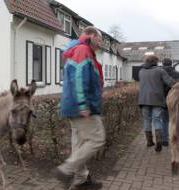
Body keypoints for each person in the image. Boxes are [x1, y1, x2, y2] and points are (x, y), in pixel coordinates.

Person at [53, 26, 105, 190]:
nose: (101, 42)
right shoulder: (83, 50)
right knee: (97, 139)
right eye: (100, 38)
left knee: (79, 144)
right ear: (91, 35)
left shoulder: (80, 50)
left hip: (74, 106)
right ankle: (66, 170)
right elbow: (79, 78)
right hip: (82, 107)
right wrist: (83, 104)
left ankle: (81, 180)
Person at [138, 55, 175, 152]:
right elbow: (170, 82)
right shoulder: (160, 71)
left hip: (143, 100)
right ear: (155, 62)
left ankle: (149, 141)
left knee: (147, 120)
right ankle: (159, 141)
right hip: (157, 99)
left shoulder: (141, 71)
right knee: (157, 120)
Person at [161, 58, 179, 146]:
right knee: (177, 120)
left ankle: (165, 139)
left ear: (162, 64)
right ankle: (178, 139)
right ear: (171, 64)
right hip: (178, 101)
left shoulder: (159, 74)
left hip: (163, 100)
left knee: (164, 121)